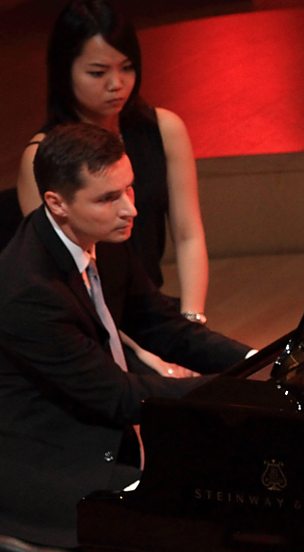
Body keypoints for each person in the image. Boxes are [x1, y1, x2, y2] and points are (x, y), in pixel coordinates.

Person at [0, 123, 250, 549]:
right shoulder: (29, 290)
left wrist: (257, 361)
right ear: (57, 203)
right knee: (207, 518)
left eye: (129, 188)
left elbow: (163, 327)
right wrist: (236, 391)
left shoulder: (103, 234)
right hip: (54, 463)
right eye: (108, 198)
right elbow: (116, 395)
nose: (130, 209)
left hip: (107, 431)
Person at [16, 0, 210, 376]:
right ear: (64, 71)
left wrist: (191, 321)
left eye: (127, 67)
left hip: (153, 316)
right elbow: (63, 282)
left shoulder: (163, 128)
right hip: (90, 332)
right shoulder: (43, 157)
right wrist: (144, 356)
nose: (116, 84)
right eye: (97, 72)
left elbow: (188, 234)